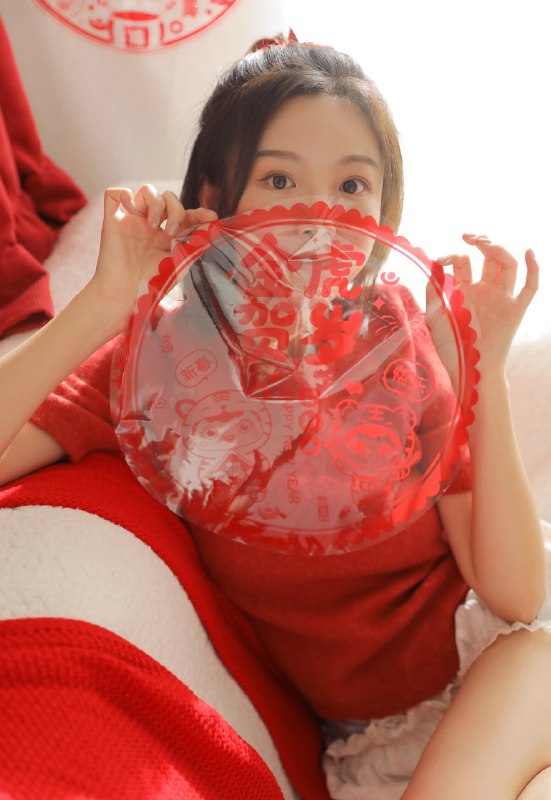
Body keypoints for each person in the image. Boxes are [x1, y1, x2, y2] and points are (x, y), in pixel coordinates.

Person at [0, 39, 550, 800]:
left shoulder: (396, 334)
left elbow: (517, 599)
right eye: (280, 178)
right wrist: (103, 303)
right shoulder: (160, 359)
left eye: (351, 184)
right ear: (217, 193)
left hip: (501, 658)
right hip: (365, 740)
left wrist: (477, 366)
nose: (318, 216)